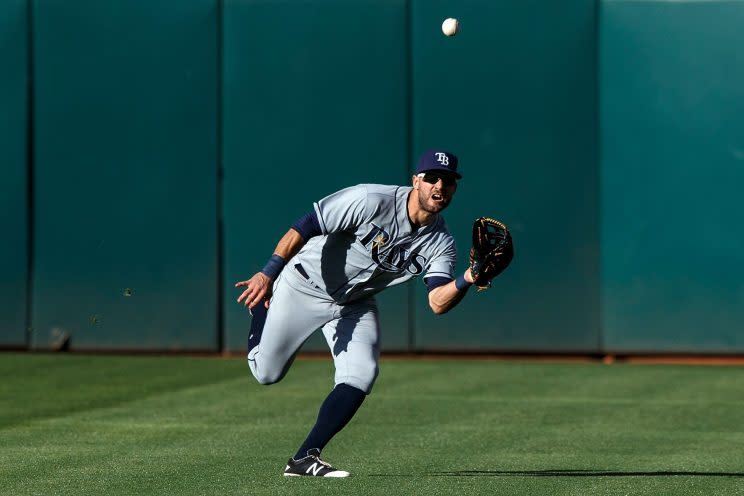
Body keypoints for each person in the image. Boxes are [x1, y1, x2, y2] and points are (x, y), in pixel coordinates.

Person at [235, 149, 477, 477]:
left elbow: (437, 301)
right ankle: (262, 312)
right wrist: (269, 273)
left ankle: (304, 458)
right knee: (266, 374)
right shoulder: (370, 199)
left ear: (454, 189)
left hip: (354, 304)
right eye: (432, 178)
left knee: (361, 374)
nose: (440, 186)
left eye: (448, 182)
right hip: (303, 285)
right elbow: (306, 225)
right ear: (416, 180)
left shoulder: (441, 242)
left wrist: (469, 277)